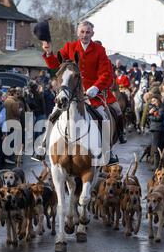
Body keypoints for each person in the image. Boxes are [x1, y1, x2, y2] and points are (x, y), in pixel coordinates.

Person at [39, 20, 125, 164]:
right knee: (53, 114)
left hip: (93, 94)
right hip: (72, 93)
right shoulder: (69, 47)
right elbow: (56, 65)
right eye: (82, 32)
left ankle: (107, 152)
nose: (84, 35)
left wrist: (96, 87)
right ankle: (42, 147)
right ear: (78, 32)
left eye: (87, 32)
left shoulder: (99, 50)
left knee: (104, 117)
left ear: (92, 33)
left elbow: (106, 74)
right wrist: (48, 53)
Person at [148, 94, 164, 169]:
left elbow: (159, 118)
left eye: (154, 101)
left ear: (158, 100)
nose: (153, 102)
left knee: (157, 149)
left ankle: (156, 167)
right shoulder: (155, 108)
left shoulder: (162, 108)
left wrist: (150, 114)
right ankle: (157, 165)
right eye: (152, 101)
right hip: (156, 129)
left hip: (158, 129)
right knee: (157, 148)